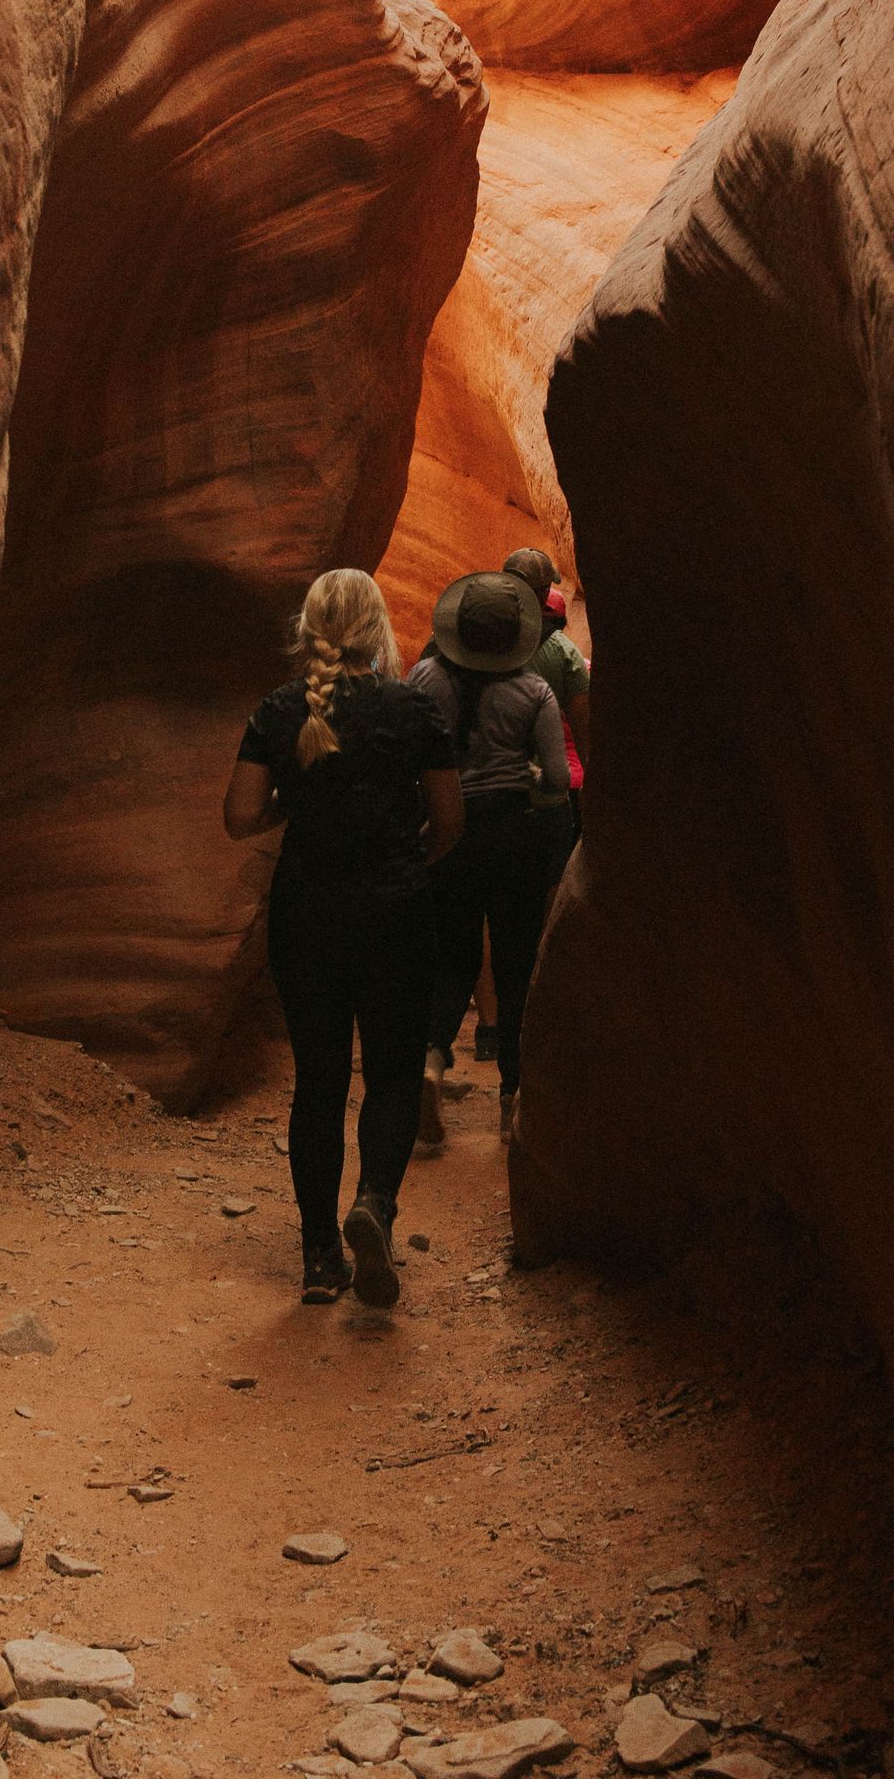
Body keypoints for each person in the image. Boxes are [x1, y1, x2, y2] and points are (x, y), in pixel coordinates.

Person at [224, 568, 463, 1308]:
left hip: (308, 916)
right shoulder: (413, 710)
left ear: (309, 629)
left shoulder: (279, 711)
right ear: (376, 627)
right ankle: (376, 1206)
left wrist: (291, 815)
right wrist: (403, 865)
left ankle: (320, 1255)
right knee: (392, 1073)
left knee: (319, 1080)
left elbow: (239, 816)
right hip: (394, 913)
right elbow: (449, 823)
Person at [408, 569, 569, 1146]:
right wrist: (522, 775)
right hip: (513, 837)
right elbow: (555, 779)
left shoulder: (425, 677)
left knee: (450, 959)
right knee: (515, 965)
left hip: (445, 832)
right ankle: (511, 1103)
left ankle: (430, 1060)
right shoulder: (534, 692)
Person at [503, 547, 591, 894]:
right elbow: (586, 740)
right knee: (537, 903)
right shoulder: (565, 657)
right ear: (542, 596)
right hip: (546, 802)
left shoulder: (474, 640)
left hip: (485, 799)